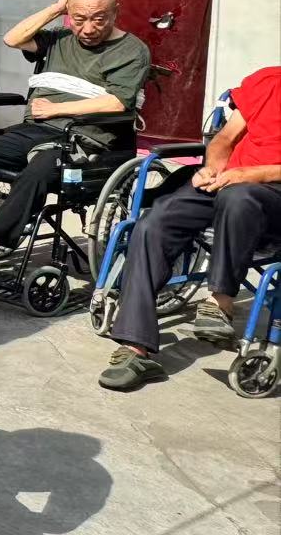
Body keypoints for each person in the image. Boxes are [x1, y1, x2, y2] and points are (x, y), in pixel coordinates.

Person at [0, 0, 150, 282]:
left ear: (115, 13)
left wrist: (56, 109)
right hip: (35, 130)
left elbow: (117, 102)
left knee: (38, 170)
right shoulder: (60, 38)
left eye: (99, 19)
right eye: (79, 19)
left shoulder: (132, 50)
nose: (88, 28)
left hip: (86, 139)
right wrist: (57, 8)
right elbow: (12, 38)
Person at [101, 64, 281, 391]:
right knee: (155, 222)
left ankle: (220, 303)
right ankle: (135, 345)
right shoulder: (269, 80)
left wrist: (252, 174)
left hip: (269, 195)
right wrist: (213, 166)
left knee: (239, 198)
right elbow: (225, 138)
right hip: (229, 182)